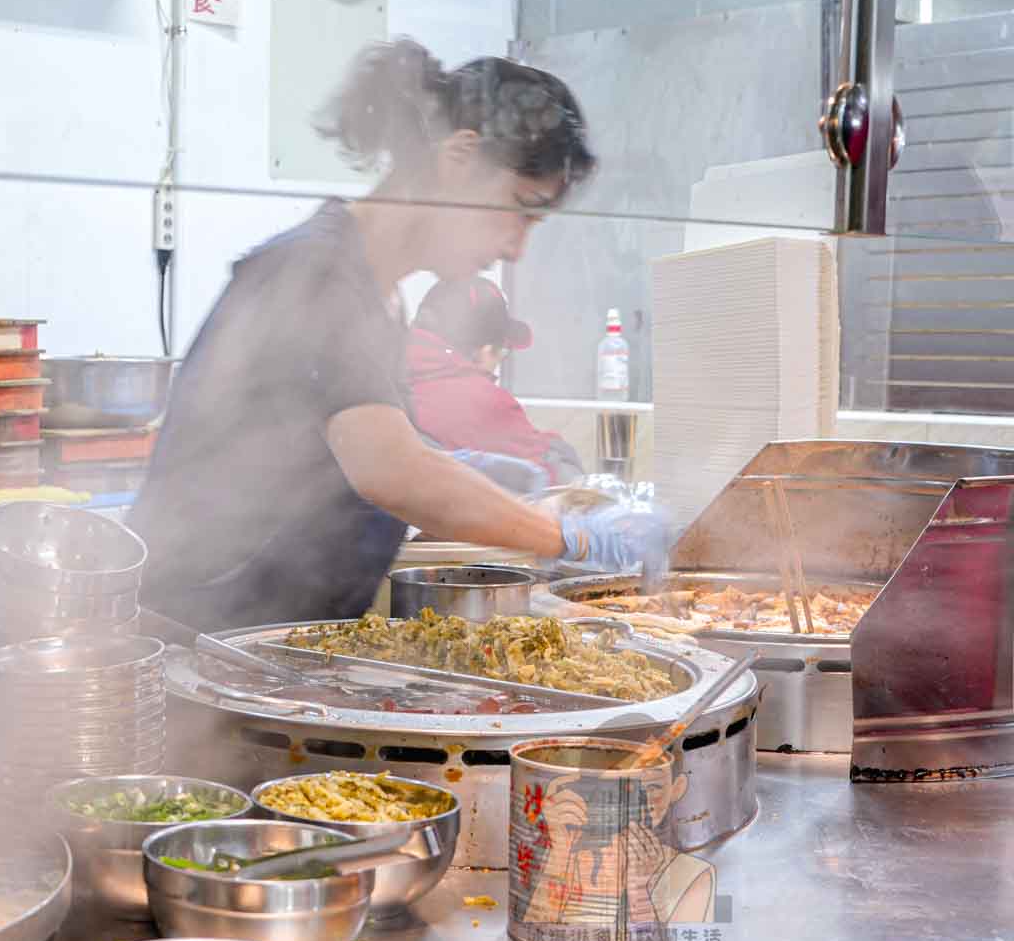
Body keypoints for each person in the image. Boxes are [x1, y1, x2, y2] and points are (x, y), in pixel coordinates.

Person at [129, 39, 666, 630]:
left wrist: (468, 475)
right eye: (519, 210)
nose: (515, 247)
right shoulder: (314, 271)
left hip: (277, 642)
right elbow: (389, 469)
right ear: (460, 158)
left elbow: (357, 451)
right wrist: (569, 539)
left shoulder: (380, 296)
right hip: (194, 640)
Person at [405, 276, 585, 489]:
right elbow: (562, 484)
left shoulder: (379, 386)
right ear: (483, 351)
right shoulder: (483, 403)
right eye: (503, 353)